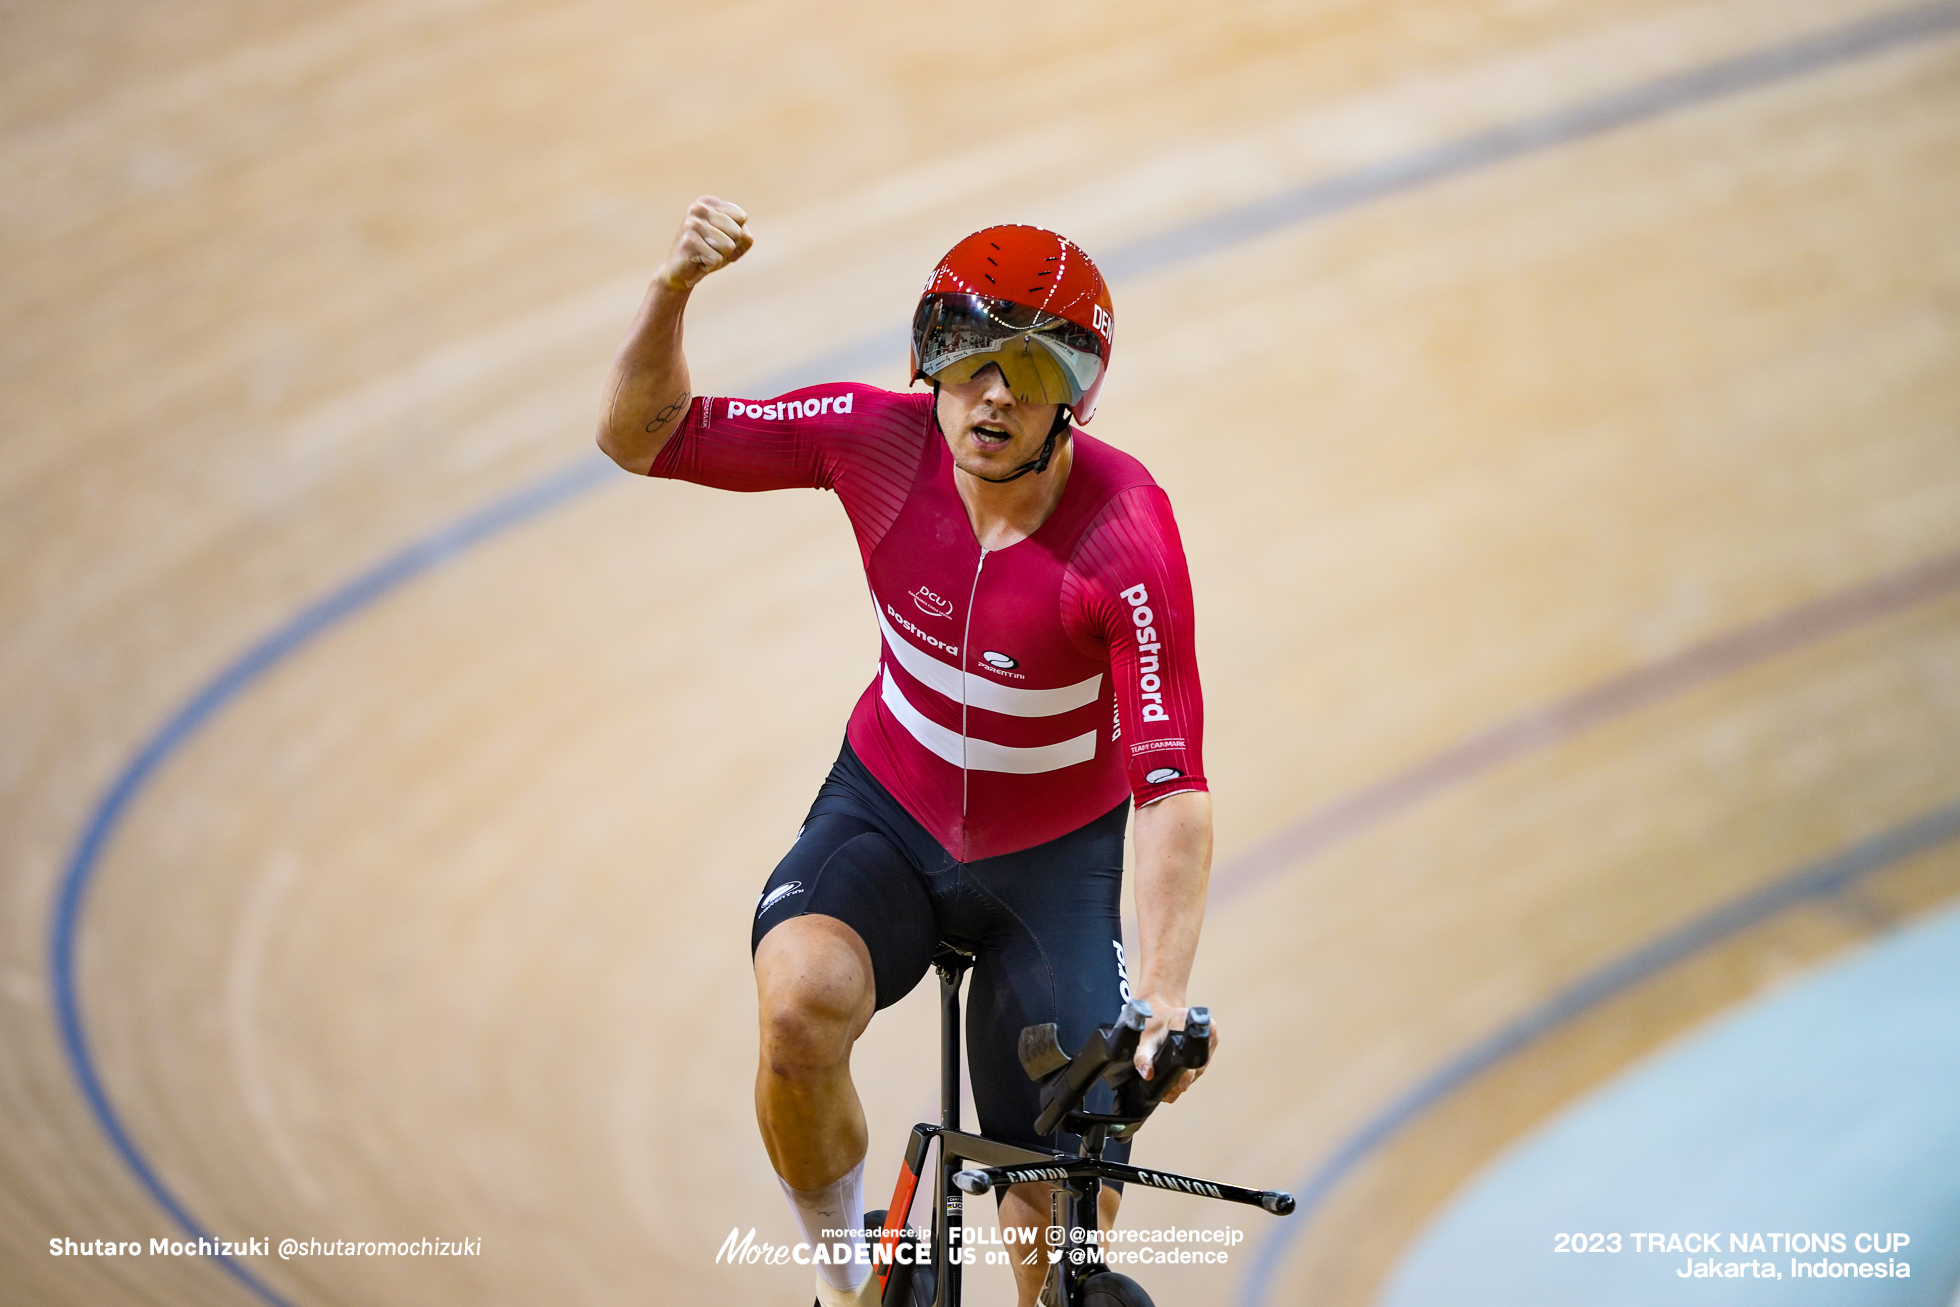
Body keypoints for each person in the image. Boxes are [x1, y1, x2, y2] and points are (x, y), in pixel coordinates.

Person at [597, 197, 1216, 1307]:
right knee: (796, 1000)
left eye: (1029, 374)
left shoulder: (1128, 535)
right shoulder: (873, 438)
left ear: (1073, 397)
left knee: (1062, 1202)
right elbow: (639, 435)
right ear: (930, 362)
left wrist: (1162, 1002)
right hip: (888, 809)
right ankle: (849, 1281)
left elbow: (1171, 788)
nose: (992, 394)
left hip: (1051, 865)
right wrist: (672, 289)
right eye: (970, 361)